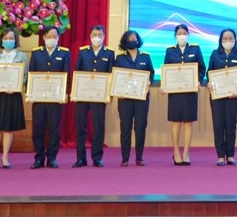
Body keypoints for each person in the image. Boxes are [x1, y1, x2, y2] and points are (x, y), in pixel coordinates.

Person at [0, 27, 27, 169]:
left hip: (13, 95)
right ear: (1, 40)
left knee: (8, 128)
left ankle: (5, 157)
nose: (8, 41)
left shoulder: (22, 56)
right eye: (6, 38)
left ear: (16, 40)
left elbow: (25, 75)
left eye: (11, 38)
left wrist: (16, 86)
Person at [28, 26, 70, 169]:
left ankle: (52, 158)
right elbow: (32, 72)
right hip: (39, 97)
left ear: (58, 38)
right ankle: (39, 157)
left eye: (55, 36)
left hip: (56, 98)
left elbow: (66, 73)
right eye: (49, 36)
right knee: (38, 128)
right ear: (44, 37)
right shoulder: (36, 53)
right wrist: (30, 92)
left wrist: (65, 92)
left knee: (54, 128)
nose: (52, 39)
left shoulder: (64, 53)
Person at [72, 25, 115, 168]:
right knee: (81, 127)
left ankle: (97, 158)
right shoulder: (83, 52)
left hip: (99, 96)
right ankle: (81, 158)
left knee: (98, 127)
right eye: (94, 35)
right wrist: (75, 92)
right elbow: (77, 72)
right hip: (82, 96)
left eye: (100, 35)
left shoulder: (109, 53)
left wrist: (109, 94)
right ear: (90, 36)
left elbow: (111, 74)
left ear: (104, 36)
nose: (97, 37)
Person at [163, 24, 206, 166]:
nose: (182, 35)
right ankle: (176, 152)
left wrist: (198, 81)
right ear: (175, 36)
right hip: (175, 92)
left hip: (190, 92)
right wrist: (165, 84)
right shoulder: (170, 51)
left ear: (188, 35)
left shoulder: (195, 49)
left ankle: (186, 153)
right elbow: (166, 70)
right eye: (179, 33)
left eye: (184, 33)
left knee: (188, 122)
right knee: (176, 122)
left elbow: (202, 68)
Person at [206, 29, 237, 166]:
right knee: (218, 124)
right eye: (225, 38)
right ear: (220, 40)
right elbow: (209, 72)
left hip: (233, 96)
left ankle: (230, 155)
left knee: (231, 124)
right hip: (217, 96)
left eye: (231, 38)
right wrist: (209, 83)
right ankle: (220, 156)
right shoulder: (215, 54)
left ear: (235, 40)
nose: (228, 41)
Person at [114, 30, 154, 166]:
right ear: (125, 42)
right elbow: (115, 76)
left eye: (134, 38)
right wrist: (117, 89)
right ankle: (125, 158)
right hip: (125, 99)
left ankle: (139, 157)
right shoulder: (120, 59)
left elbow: (151, 73)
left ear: (138, 40)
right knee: (125, 127)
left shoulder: (145, 57)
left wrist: (149, 82)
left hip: (142, 98)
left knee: (140, 127)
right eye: (129, 39)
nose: (132, 40)